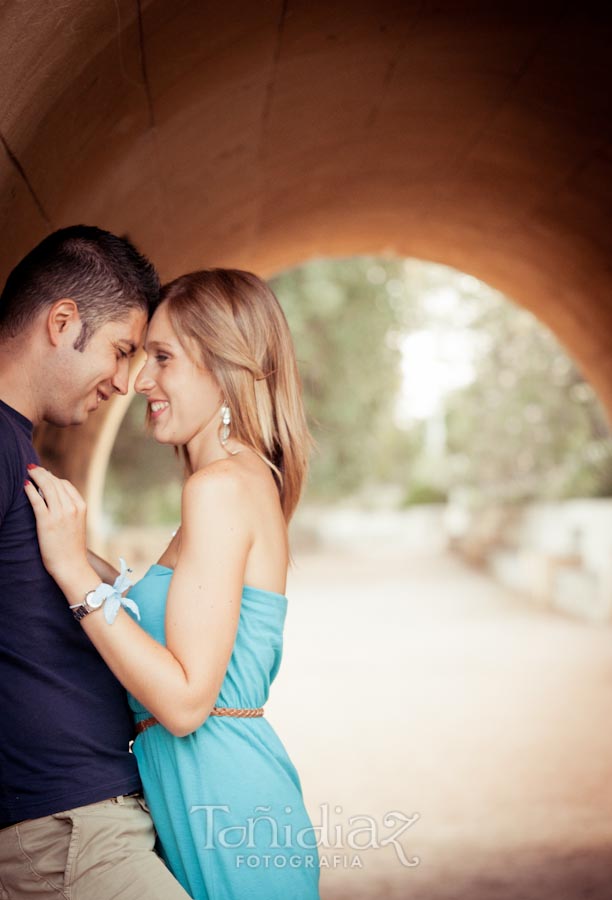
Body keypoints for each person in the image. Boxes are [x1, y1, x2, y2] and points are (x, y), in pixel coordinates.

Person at [25, 269, 321, 899]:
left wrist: (73, 572)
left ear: (226, 369)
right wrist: (83, 555)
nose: (139, 381)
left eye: (162, 358)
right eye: (139, 356)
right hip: (212, 801)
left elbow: (186, 703)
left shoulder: (217, 490)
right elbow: (179, 615)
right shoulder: (241, 480)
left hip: (226, 809)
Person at [0, 225, 191, 899]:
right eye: (120, 350)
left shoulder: (19, 448)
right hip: (63, 837)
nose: (124, 380)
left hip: (80, 826)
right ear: (61, 322)